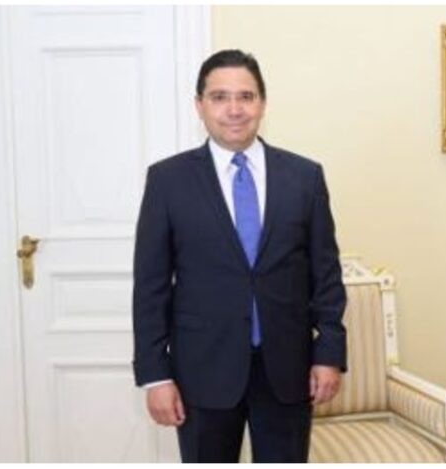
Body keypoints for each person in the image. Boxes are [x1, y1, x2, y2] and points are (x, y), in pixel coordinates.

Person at [132, 49, 346, 463]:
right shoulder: (167, 181)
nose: (234, 109)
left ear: (262, 103)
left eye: (246, 96)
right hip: (202, 372)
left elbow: (326, 275)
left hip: (288, 371)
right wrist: (155, 375)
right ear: (199, 105)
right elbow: (150, 287)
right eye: (219, 97)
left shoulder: (304, 177)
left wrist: (329, 354)